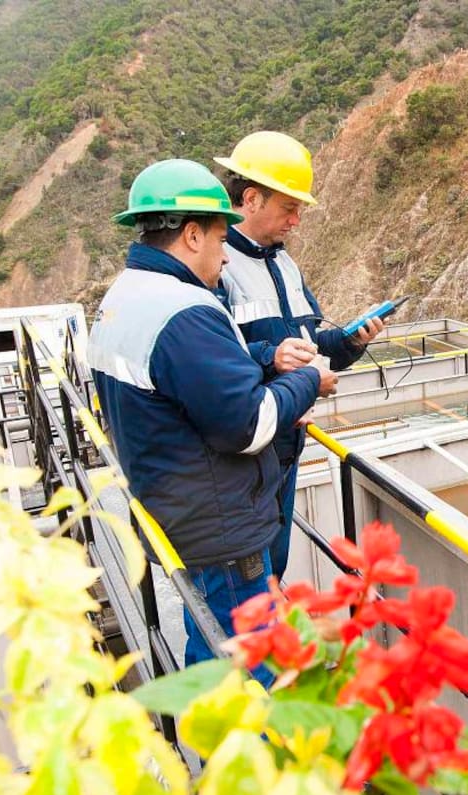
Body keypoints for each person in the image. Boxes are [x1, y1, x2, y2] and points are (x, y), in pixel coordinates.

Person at [87, 159, 337, 679]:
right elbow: (247, 426)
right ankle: (251, 757)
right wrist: (308, 380)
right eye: (222, 240)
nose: (225, 256)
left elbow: (194, 389)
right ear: (193, 234)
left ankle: (210, 744)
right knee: (251, 669)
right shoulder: (184, 312)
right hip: (219, 526)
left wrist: (269, 362)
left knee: (209, 644)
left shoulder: (122, 298)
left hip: (174, 511)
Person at [214, 131, 384, 577]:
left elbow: (313, 347)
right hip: (247, 454)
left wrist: (353, 341)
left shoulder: (285, 265)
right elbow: (212, 360)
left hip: (289, 444)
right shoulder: (217, 264)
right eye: (289, 208)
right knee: (250, 583)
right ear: (251, 199)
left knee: (276, 565)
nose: (297, 220)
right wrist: (270, 356)